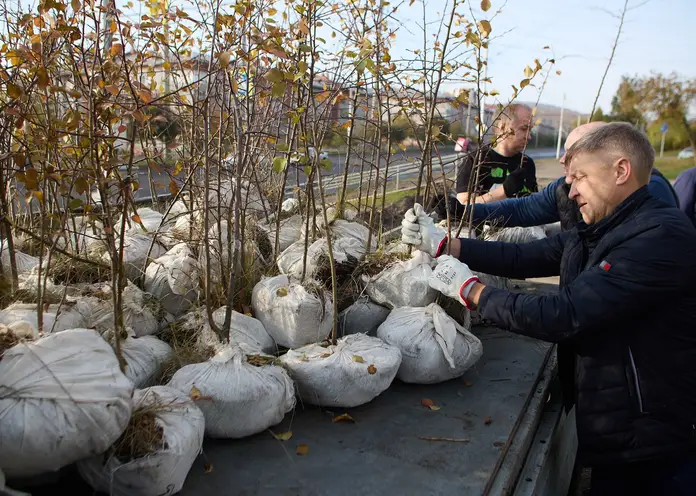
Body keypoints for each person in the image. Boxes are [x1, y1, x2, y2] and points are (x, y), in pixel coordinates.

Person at [402, 122, 696, 495]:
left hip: (653, 439)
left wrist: (470, 291)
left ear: (621, 171)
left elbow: (566, 315)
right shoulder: (608, 225)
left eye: (579, 178)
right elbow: (526, 255)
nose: (569, 192)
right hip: (622, 426)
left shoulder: (657, 237)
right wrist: (447, 244)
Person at [441, 121, 679, 232]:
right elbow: (524, 209)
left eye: (571, 153)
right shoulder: (565, 189)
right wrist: (463, 212)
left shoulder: (653, 201)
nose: (562, 160)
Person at [455, 104, 538, 206]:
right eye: (524, 129)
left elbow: (534, 204)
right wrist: (504, 191)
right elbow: (463, 206)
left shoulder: (527, 163)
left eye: (530, 130)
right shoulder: (476, 161)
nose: (529, 136)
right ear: (502, 127)